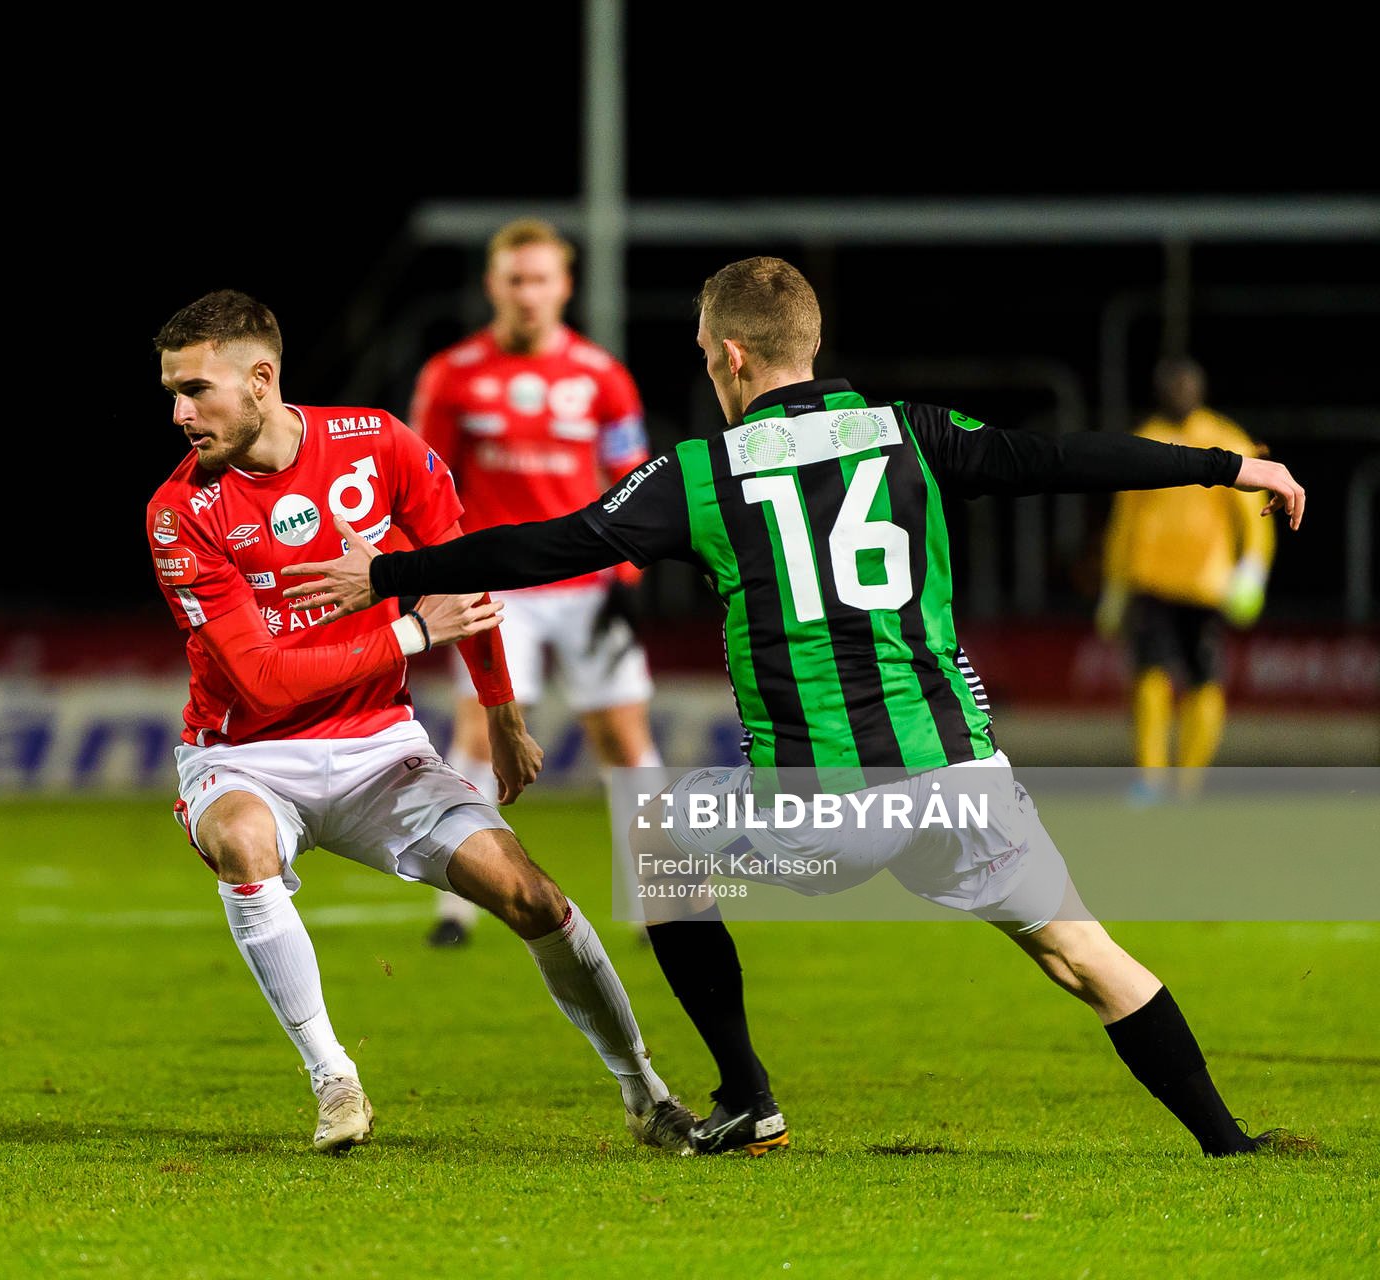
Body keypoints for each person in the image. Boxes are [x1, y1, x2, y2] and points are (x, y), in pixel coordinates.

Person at [283, 257, 1307, 1159]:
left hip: (824, 796)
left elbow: (548, 543)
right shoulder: (915, 433)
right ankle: (1230, 1140)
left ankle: (747, 1095)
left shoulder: (703, 472)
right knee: (1084, 952)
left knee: (660, 837)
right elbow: (1064, 458)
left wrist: (392, 570)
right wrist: (1229, 466)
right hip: (959, 773)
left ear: (731, 355)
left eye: (702, 352)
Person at [144, 289, 697, 1155]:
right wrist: (409, 628)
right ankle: (334, 1080)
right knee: (245, 841)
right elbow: (260, 682)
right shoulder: (181, 511)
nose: (179, 413)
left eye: (195, 391)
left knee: (533, 896)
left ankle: (646, 1092)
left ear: (261, 379)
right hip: (246, 756)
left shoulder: (375, 444)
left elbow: (464, 577)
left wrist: (504, 716)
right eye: (172, 393)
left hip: (379, 749)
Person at [408, 219, 664, 946]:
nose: (528, 294)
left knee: (623, 735)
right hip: (497, 588)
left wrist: (628, 574)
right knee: (480, 732)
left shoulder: (600, 374)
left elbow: (633, 478)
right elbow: (426, 487)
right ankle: (457, 907)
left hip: (587, 583)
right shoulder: (452, 374)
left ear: (565, 286)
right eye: (515, 279)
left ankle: (657, 901)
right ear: (493, 286)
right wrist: (440, 576)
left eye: (541, 279)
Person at [1097, 357, 1274, 799]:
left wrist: (1251, 571)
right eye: (1171, 385)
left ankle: (1190, 782)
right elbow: (1125, 518)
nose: (1179, 392)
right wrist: (1114, 584)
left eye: (1186, 385)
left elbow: (1254, 518)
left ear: (1201, 388)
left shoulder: (1225, 439)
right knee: (1149, 676)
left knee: (1203, 680)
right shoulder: (1145, 439)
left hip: (1205, 584)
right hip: (1150, 580)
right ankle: (1151, 779)